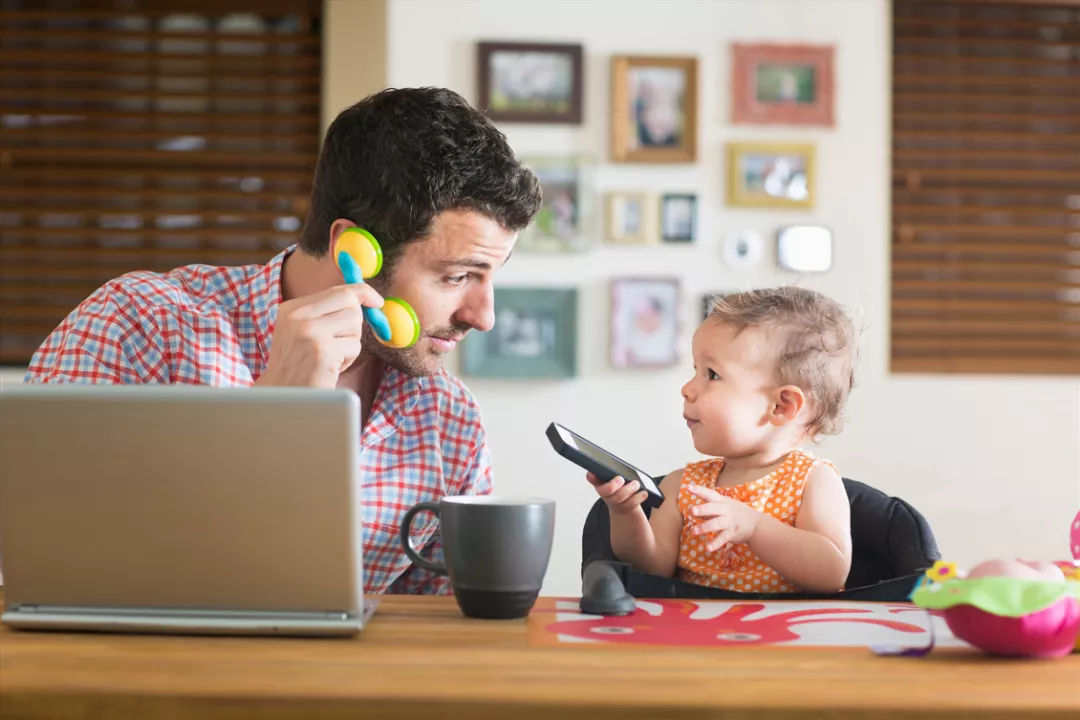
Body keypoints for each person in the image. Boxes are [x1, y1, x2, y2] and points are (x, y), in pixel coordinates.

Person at [25, 87, 543, 595]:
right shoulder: (140, 325)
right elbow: (28, 551)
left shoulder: (449, 420)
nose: (485, 317)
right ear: (354, 252)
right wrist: (268, 421)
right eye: (457, 277)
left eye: (490, 276)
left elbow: (438, 633)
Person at [586, 287, 857, 593]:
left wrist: (754, 527)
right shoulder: (683, 486)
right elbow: (652, 569)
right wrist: (626, 513)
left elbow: (830, 574)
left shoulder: (813, 481)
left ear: (781, 406)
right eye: (695, 371)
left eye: (712, 375)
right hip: (695, 637)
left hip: (789, 637)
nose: (687, 388)